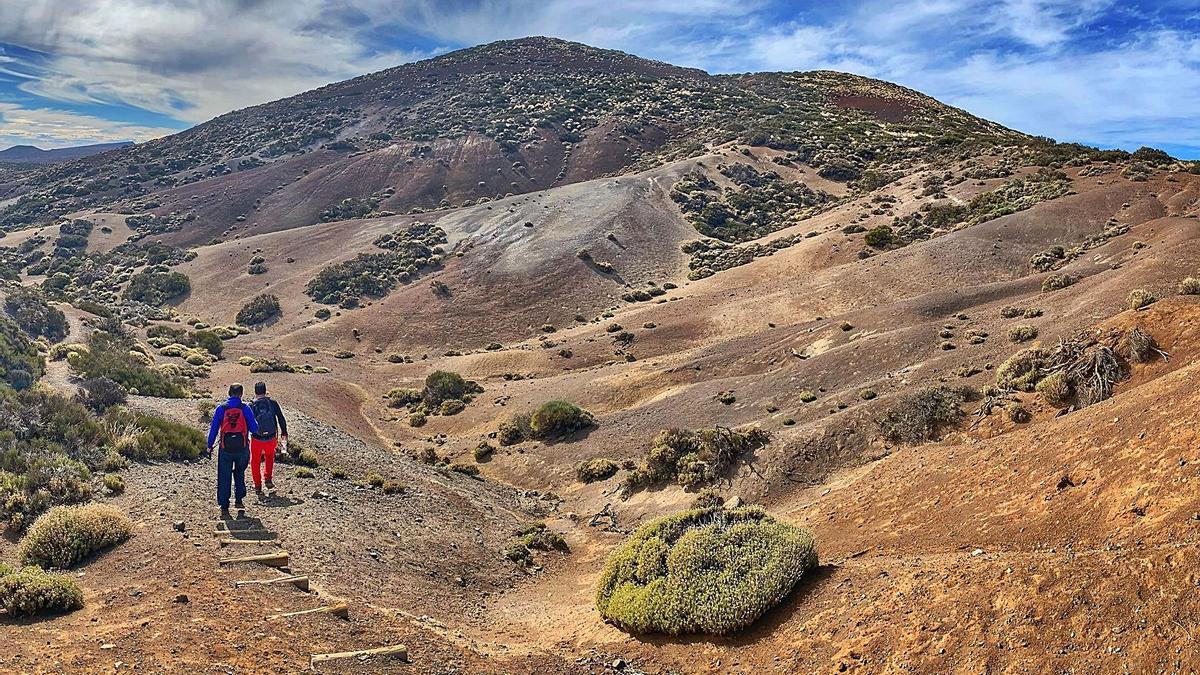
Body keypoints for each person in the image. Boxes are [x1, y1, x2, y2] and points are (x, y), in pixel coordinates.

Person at [207, 383, 258, 519]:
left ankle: (224, 506)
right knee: (239, 472)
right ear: (241, 394)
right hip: (242, 448)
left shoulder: (221, 409)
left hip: (225, 448)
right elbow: (254, 429)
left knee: (224, 475)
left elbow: (213, 429)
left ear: (229, 393)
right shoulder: (245, 408)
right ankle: (239, 500)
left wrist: (209, 445)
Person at [249, 381, 289, 495]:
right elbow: (281, 418)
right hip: (271, 437)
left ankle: (257, 485)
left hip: (256, 438)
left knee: (255, 461)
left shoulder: (251, 405)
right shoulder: (272, 403)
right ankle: (268, 478)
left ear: (255, 392)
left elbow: (248, 422)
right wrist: (284, 432)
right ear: (265, 391)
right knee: (270, 456)